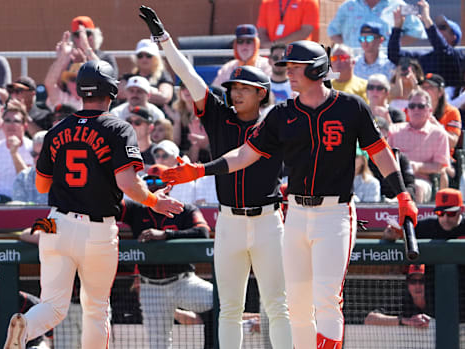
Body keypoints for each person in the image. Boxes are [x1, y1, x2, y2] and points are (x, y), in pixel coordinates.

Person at [158, 38, 420, 348]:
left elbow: (380, 151)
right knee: (296, 305)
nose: (289, 73)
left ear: (319, 69)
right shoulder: (282, 113)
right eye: (287, 67)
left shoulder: (351, 107)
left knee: (326, 299)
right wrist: (201, 170)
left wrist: (403, 194)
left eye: (296, 68)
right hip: (295, 213)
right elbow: (243, 155)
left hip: (335, 213)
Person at [139, 7, 293, 348]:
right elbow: (188, 74)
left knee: (277, 307)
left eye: (245, 88)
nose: (236, 93)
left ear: (262, 93)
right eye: (234, 87)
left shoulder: (274, 122)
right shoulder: (218, 115)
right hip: (229, 222)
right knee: (229, 310)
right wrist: (162, 39)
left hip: (269, 221)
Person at [2, 60, 183, 349]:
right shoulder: (118, 128)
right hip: (96, 231)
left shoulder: (57, 129)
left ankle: (26, 327)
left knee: (53, 307)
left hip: (55, 223)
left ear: (80, 90)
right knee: (96, 308)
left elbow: (41, 186)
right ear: (112, 90)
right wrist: (153, 201)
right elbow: (127, 184)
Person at [118, 167, 214, 349]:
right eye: (150, 182)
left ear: (169, 185)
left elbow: (203, 232)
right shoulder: (137, 209)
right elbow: (113, 205)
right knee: (159, 344)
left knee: (220, 301)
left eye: (159, 182)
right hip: (151, 286)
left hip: (183, 282)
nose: (155, 186)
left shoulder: (184, 209)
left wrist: (165, 235)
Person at [387, 89, 450, 203]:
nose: (416, 109)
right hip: (395, 179)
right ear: (407, 110)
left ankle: (414, 219)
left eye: (421, 106)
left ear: (430, 110)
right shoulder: (394, 130)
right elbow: (385, 157)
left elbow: (440, 166)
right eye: (412, 106)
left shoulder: (439, 134)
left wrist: (417, 167)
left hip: (421, 180)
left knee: (417, 187)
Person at [387, 1, 465, 88]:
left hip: (448, 100)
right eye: (437, 26)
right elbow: (394, 55)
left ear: (453, 37)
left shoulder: (457, 56)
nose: (438, 29)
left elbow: (443, 49)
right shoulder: (425, 56)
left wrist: (427, 20)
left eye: (443, 27)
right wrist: (397, 26)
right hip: (424, 99)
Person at [327, 0, 426, 48]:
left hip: (387, 64)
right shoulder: (347, 6)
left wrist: (393, 46)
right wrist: (347, 49)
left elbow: (417, 31)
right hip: (354, 65)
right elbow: (332, 32)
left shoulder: (401, 5)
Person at [383, 188, 465, 241]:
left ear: (461, 210)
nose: (445, 218)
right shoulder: (425, 226)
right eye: (440, 213)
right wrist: (390, 235)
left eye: (451, 213)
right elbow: (397, 234)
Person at [364, 265, 432, 328]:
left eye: (422, 281)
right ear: (407, 284)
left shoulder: (436, 299)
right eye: (413, 281)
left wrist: (431, 322)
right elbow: (369, 319)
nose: (417, 286)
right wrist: (406, 321)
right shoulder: (401, 301)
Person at [120, 39, 174, 107]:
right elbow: (120, 93)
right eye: (140, 55)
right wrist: (151, 92)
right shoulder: (128, 77)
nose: (144, 59)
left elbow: (164, 97)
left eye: (148, 55)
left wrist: (132, 92)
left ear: (156, 58)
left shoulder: (163, 76)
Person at [418, 73, 461, 152]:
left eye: (430, 87)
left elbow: (452, 143)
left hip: (442, 159)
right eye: (423, 87)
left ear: (440, 92)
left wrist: (436, 126)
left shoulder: (452, 112)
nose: (425, 91)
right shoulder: (413, 109)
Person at [12, 130, 48, 204]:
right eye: (34, 154)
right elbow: (18, 207)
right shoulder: (23, 177)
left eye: (41, 154)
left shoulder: (64, 177)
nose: (37, 159)